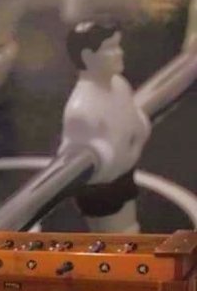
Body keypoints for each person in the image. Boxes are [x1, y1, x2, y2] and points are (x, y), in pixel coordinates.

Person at [60, 21, 150, 233]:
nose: (119, 53)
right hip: (101, 192)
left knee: (131, 230)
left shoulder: (120, 85)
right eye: (110, 48)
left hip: (124, 177)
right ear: (87, 56)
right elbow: (90, 163)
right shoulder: (81, 110)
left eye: (118, 45)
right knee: (118, 239)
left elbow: (135, 126)